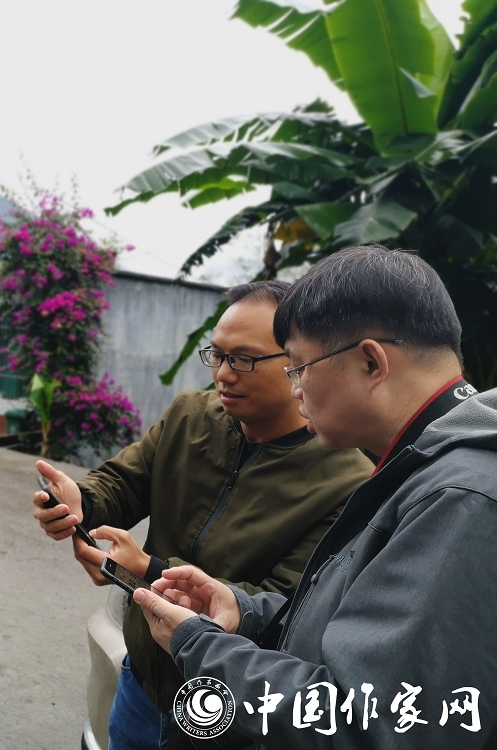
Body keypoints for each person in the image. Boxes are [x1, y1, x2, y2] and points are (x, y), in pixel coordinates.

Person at [133, 245, 497, 748]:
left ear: (371, 362)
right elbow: (357, 633)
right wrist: (246, 610)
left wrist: (198, 645)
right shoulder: (422, 467)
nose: (296, 389)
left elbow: (368, 722)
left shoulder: (460, 499)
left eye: (300, 367)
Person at [33, 281, 372, 749]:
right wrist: (80, 503)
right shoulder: (191, 416)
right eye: (217, 355)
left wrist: (149, 571)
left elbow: (286, 609)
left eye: (244, 359)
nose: (224, 374)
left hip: (227, 713)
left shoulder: (346, 480)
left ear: (297, 361)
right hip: (143, 682)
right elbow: (125, 481)